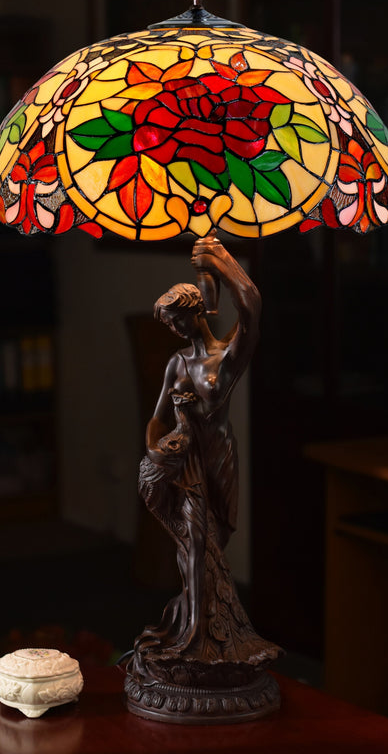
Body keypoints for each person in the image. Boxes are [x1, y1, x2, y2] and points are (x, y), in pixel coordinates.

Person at [129, 234, 281, 680]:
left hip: (218, 458)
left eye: (178, 320)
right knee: (194, 543)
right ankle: (193, 633)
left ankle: (208, 631)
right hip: (186, 462)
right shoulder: (177, 363)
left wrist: (222, 260)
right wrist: (159, 449)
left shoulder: (226, 357)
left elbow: (251, 306)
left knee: (212, 544)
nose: (175, 331)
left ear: (195, 313)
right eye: (169, 325)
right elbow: (157, 420)